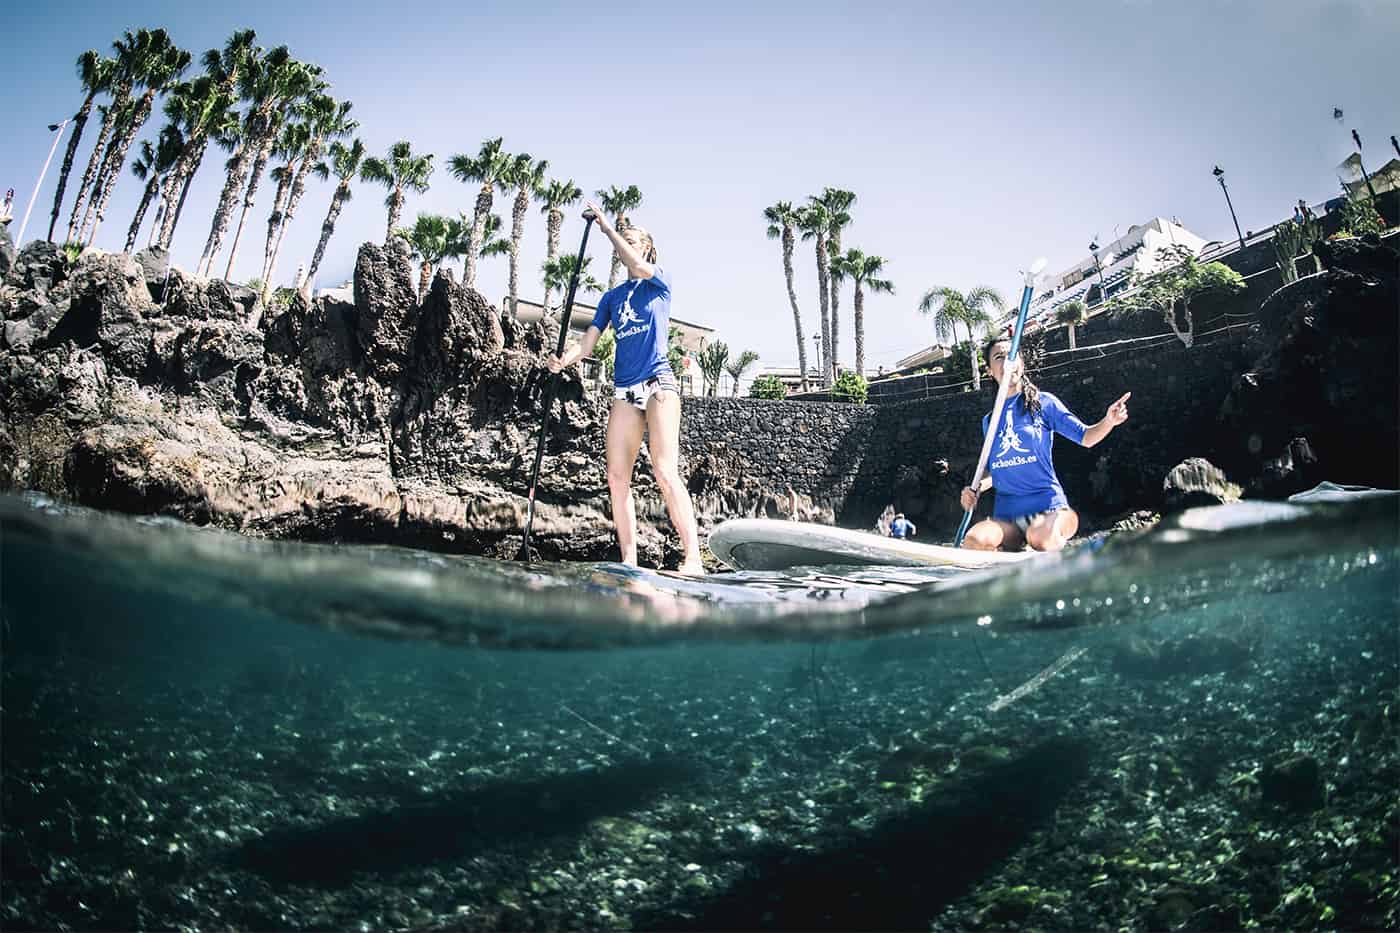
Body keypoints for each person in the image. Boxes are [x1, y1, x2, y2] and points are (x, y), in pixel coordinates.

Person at [547, 202, 704, 574]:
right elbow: (588, 344)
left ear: (646, 248)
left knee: (664, 470)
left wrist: (607, 229)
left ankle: (693, 558)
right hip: (625, 390)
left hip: (658, 383)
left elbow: (636, 264)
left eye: (632, 241)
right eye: (624, 239)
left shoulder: (658, 281)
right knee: (617, 478)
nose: (626, 245)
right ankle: (629, 560)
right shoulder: (611, 298)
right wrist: (563, 361)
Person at [959, 336, 1130, 552]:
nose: (1007, 361)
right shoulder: (989, 421)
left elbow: (1086, 437)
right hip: (1007, 518)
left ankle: (1056, 551)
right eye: (999, 357)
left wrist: (1109, 421)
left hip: (1050, 510)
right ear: (989, 370)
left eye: (1012, 355)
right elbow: (996, 470)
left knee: (1039, 535)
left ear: (1021, 364)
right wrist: (975, 489)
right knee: (974, 540)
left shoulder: (1044, 403)